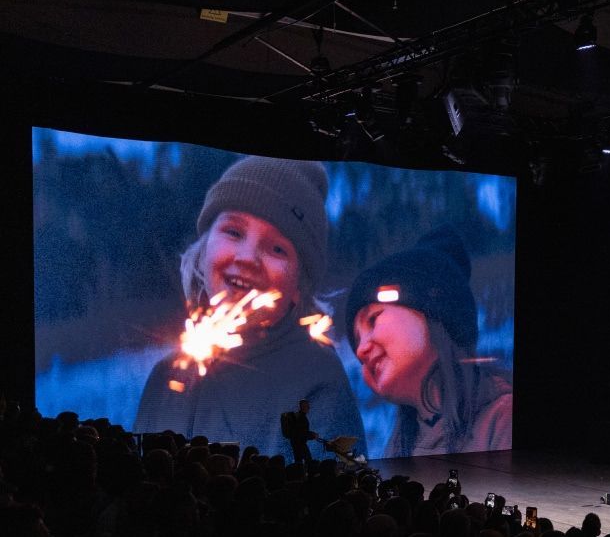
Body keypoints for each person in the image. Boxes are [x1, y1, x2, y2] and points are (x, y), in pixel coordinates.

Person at [135, 157, 365, 460]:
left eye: (277, 249)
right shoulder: (167, 377)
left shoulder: (317, 383)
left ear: (299, 285)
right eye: (233, 232)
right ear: (204, 250)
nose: (246, 257)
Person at [345, 226, 512, 457]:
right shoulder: (398, 447)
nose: (361, 350)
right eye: (357, 340)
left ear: (434, 312)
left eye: (373, 320)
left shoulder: (503, 422)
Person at [280, 399, 317, 466]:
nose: (308, 407)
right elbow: (300, 433)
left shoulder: (297, 416)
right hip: (300, 443)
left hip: (295, 443)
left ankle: (298, 473)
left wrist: (311, 434)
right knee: (308, 461)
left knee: (298, 460)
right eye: (306, 406)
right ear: (301, 407)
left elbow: (299, 431)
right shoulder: (301, 417)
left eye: (308, 405)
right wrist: (312, 435)